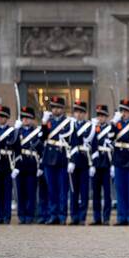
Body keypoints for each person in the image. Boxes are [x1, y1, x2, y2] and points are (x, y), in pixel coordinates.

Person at [40, 96, 74, 225]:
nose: (55, 110)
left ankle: (62, 215)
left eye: (58, 107)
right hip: (49, 159)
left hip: (62, 158)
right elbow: (42, 138)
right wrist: (43, 123)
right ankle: (52, 215)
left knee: (62, 190)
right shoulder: (48, 122)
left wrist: (72, 160)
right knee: (51, 189)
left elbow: (74, 141)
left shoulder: (68, 123)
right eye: (53, 107)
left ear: (63, 109)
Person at [68, 100, 94, 225]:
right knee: (73, 191)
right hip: (73, 163)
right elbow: (68, 144)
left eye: (81, 112)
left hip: (84, 162)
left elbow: (93, 146)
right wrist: (70, 161)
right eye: (76, 112)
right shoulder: (70, 126)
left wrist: (92, 164)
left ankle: (82, 217)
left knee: (84, 191)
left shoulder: (90, 126)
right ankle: (73, 216)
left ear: (85, 114)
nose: (78, 115)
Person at [15, 106, 42, 225]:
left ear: (32, 119)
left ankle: (30, 215)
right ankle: (21, 215)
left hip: (32, 164)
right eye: (23, 118)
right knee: (20, 192)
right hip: (20, 165)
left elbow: (41, 150)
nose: (25, 120)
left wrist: (40, 167)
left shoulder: (37, 132)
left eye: (28, 118)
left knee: (31, 192)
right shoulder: (17, 131)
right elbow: (12, 147)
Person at [90, 105, 113, 225]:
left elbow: (115, 146)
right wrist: (92, 164)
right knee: (96, 193)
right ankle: (96, 217)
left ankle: (106, 217)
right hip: (96, 163)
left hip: (107, 163)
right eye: (99, 115)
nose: (100, 118)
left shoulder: (111, 128)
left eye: (103, 116)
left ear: (106, 117)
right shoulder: (93, 128)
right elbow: (90, 145)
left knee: (107, 193)